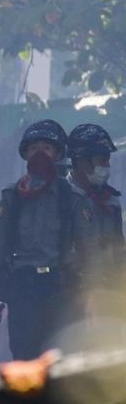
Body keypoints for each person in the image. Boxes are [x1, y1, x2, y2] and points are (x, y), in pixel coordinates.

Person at [0, 120, 73, 361]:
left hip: (57, 286)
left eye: (46, 148)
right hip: (22, 285)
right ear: (25, 154)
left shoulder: (70, 197)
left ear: (57, 154)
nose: (40, 154)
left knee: (55, 355)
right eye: (34, 149)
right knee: (23, 353)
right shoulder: (13, 196)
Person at [66, 124, 124, 323]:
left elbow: (119, 249)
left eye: (107, 161)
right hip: (70, 293)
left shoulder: (111, 200)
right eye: (102, 160)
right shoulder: (61, 198)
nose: (106, 166)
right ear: (82, 162)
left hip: (107, 290)